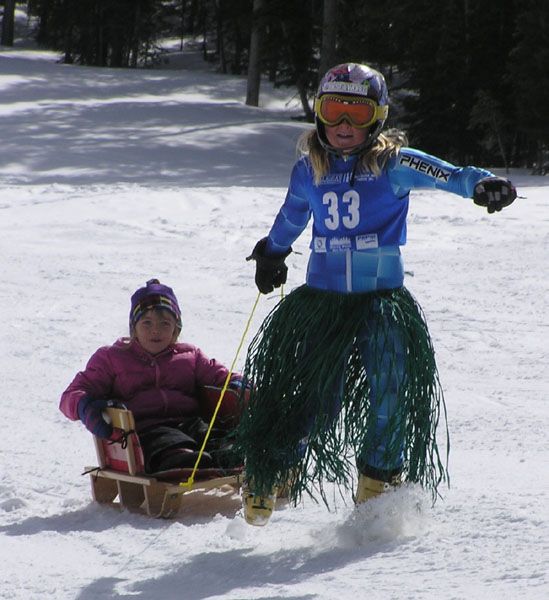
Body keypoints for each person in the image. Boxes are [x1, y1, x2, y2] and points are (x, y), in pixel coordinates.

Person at [236, 63, 517, 526]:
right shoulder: (309, 169)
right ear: (320, 114)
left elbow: (446, 174)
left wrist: (480, 184)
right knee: (313, 396)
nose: (344, 125)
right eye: (334, 111)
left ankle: (376, 487)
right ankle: (273, 470)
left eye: (357, 113)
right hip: (323, 303)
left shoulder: (394, 164)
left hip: (381, 304)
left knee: (391, 389)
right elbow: (291, 216)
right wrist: (272, 252)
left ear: (377, 118)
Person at [60, 279, 243, 473]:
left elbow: (219, 377)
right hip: (144, 431)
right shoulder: (112, 357)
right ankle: (182, 458)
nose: (155, 330)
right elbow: (71, 394)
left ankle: (227, 456)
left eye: (165, 323)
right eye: (147, 323)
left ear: (176, 329)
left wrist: (239, 383)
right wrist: (83, 406)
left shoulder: (190, 356)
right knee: (168, 442)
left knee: (213, 436)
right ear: (134, 328)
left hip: (190, 422)